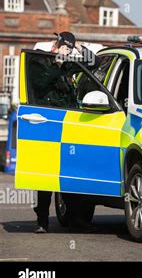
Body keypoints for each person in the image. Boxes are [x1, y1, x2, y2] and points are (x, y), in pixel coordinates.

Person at [32, 31, 98, 233]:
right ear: (55, 45)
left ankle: (75, 218)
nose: (65, 50)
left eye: (68, 47)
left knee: (69, 174)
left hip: (68, 125)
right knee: (46, 177)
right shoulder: (38, 61)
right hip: (47, 123)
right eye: (63, 46)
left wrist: (79, 49)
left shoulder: (69, 64)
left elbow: (94, 64)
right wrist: (57, 63)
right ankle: (42, 220)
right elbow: (40, 84)